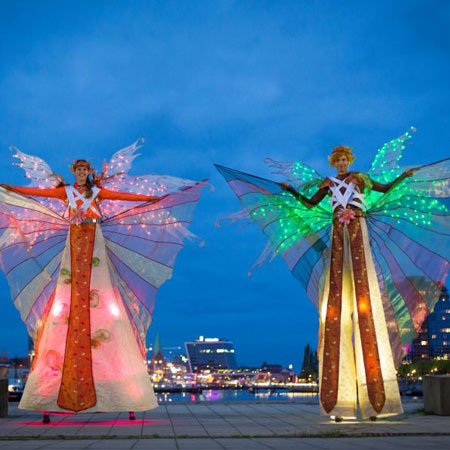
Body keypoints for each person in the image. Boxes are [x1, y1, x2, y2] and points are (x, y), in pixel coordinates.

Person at [216, 129, 450, 421]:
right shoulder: (328, 184)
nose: (340, 164)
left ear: (349, 160)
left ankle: (373, 398)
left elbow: (386, 188)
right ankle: (340, 401)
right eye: (336, 160)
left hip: (358, 230)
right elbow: (311, 205)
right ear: (333, 163)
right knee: (336, 302)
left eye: (343, 160)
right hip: (338, 234)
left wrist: (405, 177)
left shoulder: (360, 179)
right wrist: (290, 192)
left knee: (364, 294)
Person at [0, 142, 206, 423]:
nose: (82, 173)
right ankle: (58, 396)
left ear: (89, 172)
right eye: (79, 169)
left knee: (103, 296)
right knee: (67, 300)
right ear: (74, 172)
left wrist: (150, 202)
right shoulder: (66, 192)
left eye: (85, 169)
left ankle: (115, 395)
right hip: (73, 246)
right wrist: (11, 189)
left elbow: (125, 195)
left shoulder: (96, 192)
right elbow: (37, 194)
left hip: (95, 244)